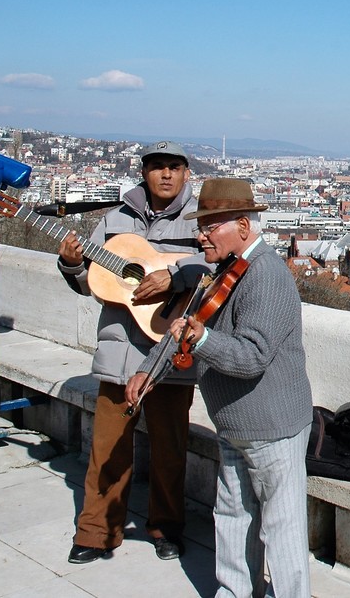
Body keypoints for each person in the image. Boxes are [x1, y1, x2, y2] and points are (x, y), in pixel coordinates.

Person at [129, 178, 312, 597]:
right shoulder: (225, 271)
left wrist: (203, 340)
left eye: (210, 227)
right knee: (231, 517)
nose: (201, 236)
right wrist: (147, 372)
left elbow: (252, 356)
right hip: (234, 424)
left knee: (281, 531)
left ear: (243, 227)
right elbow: (184, 329)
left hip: (272, 427)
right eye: (201, 227)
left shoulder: (266, 275)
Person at [57, 141, 205, 564]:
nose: (166, 174)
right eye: (157, 167)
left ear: (186, 173)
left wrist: (174, 276)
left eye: (174, 167)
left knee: (169, 447)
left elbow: (219, 266)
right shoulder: (114, 220)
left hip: (171, 348)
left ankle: (165, 528)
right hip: (119, 349)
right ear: (144, 172)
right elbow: (92, 282)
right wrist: (72, 264)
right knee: (107, 447)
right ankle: (96, 532)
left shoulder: (200, 218)